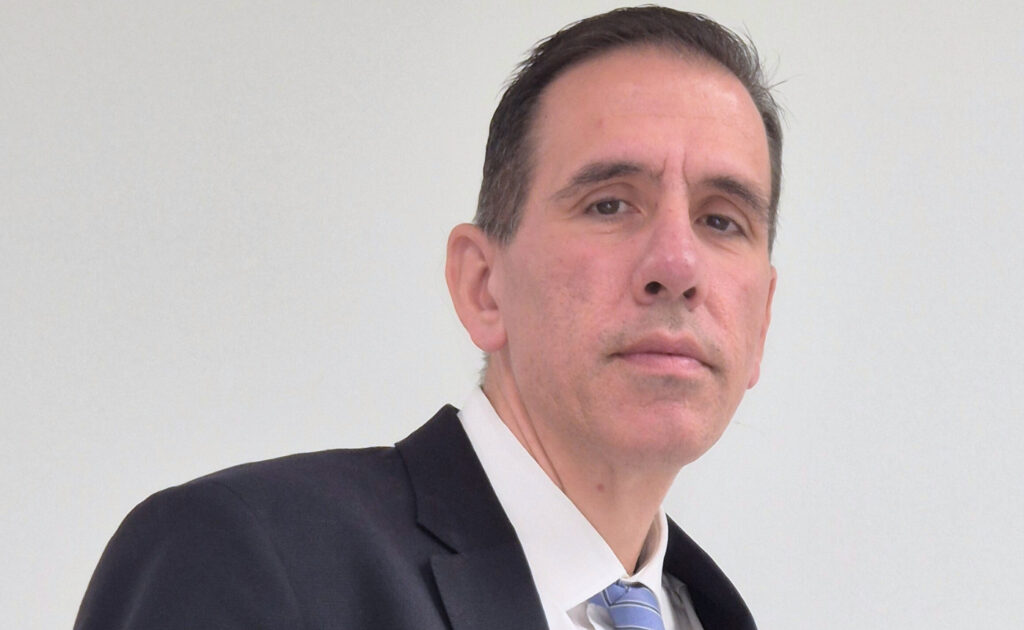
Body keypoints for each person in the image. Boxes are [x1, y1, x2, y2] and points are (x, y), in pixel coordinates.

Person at [74, 6, 780, 630]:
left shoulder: (709, 614)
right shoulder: (244, 557)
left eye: (722, 220)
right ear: (483, 287)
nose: (678, 266)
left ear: (760, 325)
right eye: (610, 204)